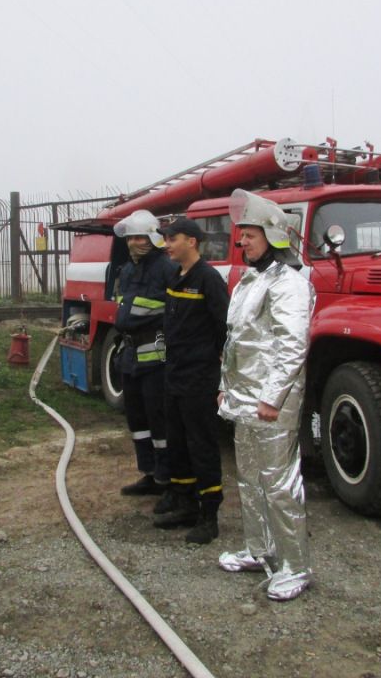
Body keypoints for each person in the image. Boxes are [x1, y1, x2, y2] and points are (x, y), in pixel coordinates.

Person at [217, 189, 315, 602]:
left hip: (274, 404)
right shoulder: (248, 282)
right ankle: (260, 550)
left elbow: (292, 346)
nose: (242, 243)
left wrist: (273, 398)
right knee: (250, 479)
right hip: (244, 399)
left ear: (274, 235)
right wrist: (225, 388)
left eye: (250, 236)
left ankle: (296, 566)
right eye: (241, 236)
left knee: (278, 485)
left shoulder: (289, 285)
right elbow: (236, 341)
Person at [152, 217, 229, 544]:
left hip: (199, 378)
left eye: (173, 239)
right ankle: (184, 503)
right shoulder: (176, 276)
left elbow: (225, 329)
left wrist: (215, 371)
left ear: (192, 242)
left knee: (202, 445)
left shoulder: (208, 279)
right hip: (174, 374)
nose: (167, 245)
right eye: (167, 239)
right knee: (178, 442)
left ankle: (209, 516)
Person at [112, 209, 177, 497]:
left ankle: (168, 477)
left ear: (152, 238)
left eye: (139, 237)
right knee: (137, 418)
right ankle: (149, 473)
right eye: (129, 238)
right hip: (131, 353)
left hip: (156, 352)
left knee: (159, 417)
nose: (133, 243)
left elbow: (173, 310)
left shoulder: (166, 267)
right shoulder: (127, 271)